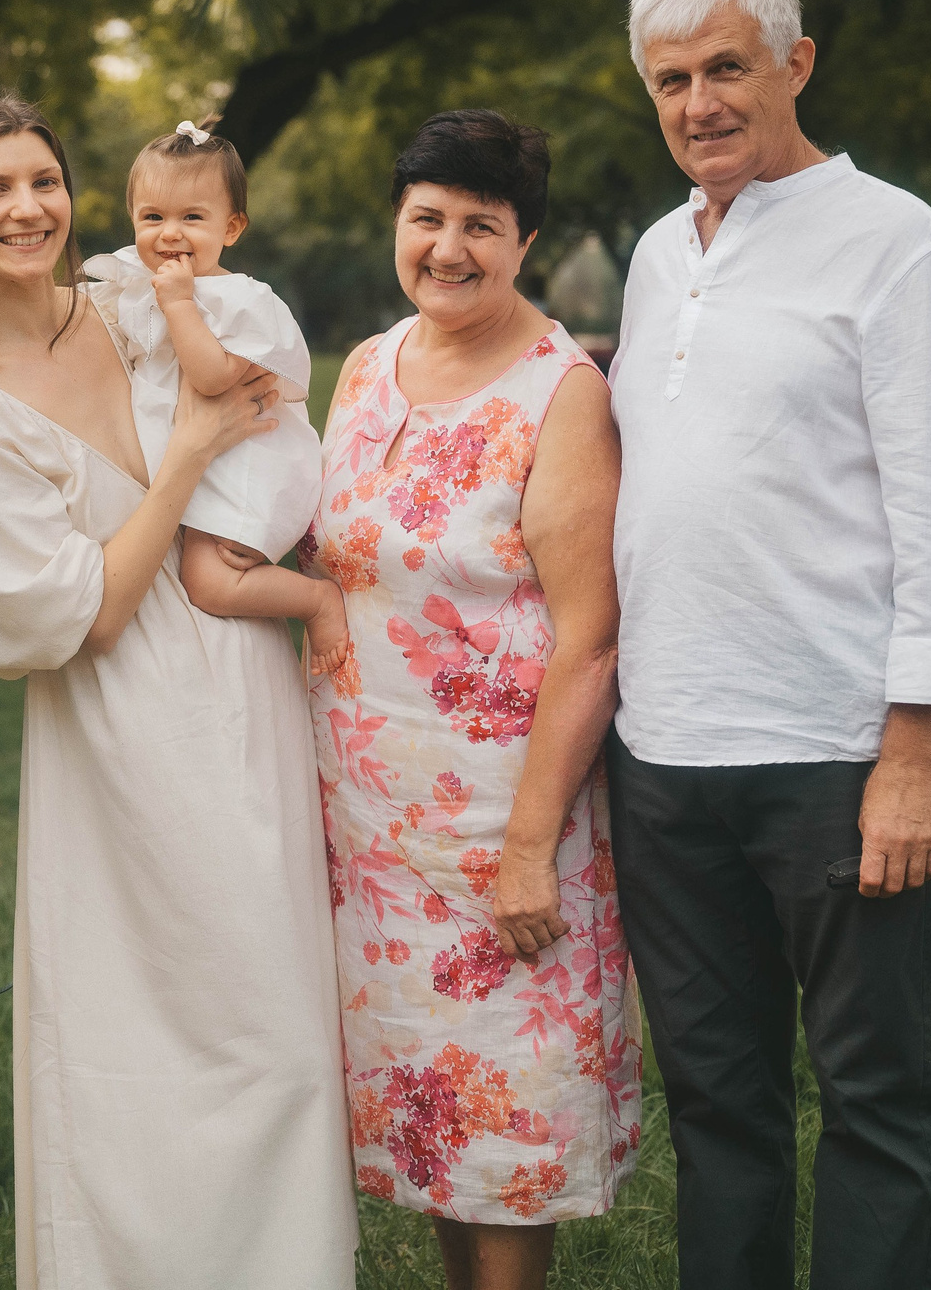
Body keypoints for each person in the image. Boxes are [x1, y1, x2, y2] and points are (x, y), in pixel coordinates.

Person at [0, 94, 359, 1289]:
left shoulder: (135, 300)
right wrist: (190, 457)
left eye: (42, 180)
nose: (25, 208)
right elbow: (80, 610)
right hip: (117, 731)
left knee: (275, 1018)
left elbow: (268, 396)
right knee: (138, 1030)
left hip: (246, 692)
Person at [608, 0, 931, 1290]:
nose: (701, 101)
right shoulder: (663, 255)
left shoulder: (898, 244)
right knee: (719, 1109)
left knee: (876, 1103)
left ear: (798, 62)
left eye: (728, 66)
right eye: (672, 79)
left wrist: (914, 755)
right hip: (663, 758)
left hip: (834, 751)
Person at [305, 110, 640, 1290]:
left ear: (525, 238)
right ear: (397, 223)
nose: (449, 247)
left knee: (505, 1125)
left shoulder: (564, 392)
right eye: (427, 218)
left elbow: (590, 639)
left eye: (480, 226)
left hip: (499, 823)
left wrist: (530, 849)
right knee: (430, 1120)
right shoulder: (359, 366)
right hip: (366, 830)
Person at [79, 117, 345, 654]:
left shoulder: (242, 301)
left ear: (232, 228)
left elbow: (212, 377)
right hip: (203, 462)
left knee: (208, 582)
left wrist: (177, 305)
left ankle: (318, 602)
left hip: (245, 467)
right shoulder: (143, 285)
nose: (169, 233)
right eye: (152, 217)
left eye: (192, 218)